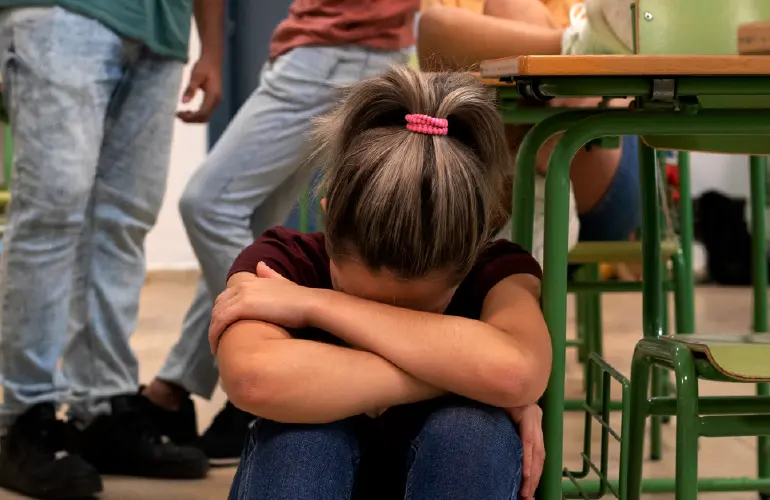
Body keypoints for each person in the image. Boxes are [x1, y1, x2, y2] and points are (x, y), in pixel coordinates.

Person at [210, 66, 550, 500]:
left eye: (415, 313)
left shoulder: (498, 270)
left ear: (473, 253)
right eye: (355, 297)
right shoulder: (281, 263)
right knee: (302, 440)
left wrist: (319, 305)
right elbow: (254, 379)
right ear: (329, 225)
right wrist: (473, 378)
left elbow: (516, 371)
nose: (386, 320)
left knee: (470, 433)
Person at [141, 0, 422, 465]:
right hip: (344, 44)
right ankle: (172, 390)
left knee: (207, 204)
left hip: (337, 43)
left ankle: (290, 361)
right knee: (248, 230)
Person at [0, 1, 224, 498]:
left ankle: (102, 407)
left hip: (163, 31)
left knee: (124, 222)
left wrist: (210, 46)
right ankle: (22, 419)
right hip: (61, 13)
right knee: (50, 216)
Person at [419, 0, 640, 263]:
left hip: (597, 162)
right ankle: (579, 52)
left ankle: (534, 189)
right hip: (501, 171)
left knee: (510, 8)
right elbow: (433, 39)